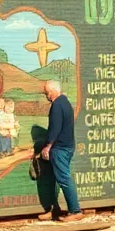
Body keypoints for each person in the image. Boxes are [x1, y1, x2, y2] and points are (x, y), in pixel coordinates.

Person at [39, 80, 83, 222]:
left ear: (52, 92)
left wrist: (47, 146)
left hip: (60, 148)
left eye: (47, 93)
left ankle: (75, 211)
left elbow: (55, 128)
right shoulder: (66, 102)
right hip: (67, 146)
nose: (47, 96)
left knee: (64, 178)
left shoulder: (57, 105)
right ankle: (54, 210)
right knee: (56, 178)